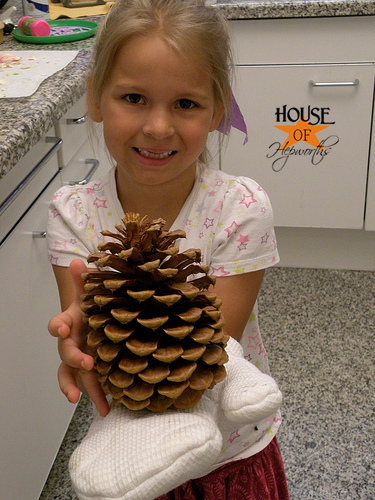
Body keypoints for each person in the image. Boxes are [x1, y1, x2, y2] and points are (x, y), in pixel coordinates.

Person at [47, 0, 289, 498]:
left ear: (218, 111)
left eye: (186, 104)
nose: (158, 127)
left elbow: (211, 352)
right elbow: (92, 328)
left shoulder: (240, 208)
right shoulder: (72, 212)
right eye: (133, 97)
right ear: (94, 99)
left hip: (229, 446)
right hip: (132, 451)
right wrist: (78, 338)